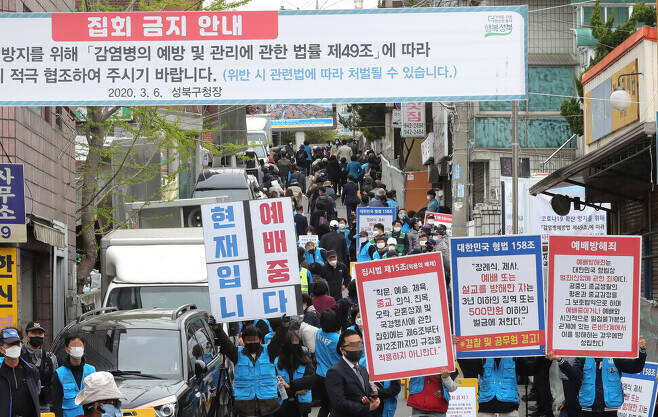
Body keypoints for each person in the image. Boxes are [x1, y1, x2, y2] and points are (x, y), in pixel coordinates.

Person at [548, 336, 647, 417]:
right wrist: (560, 360)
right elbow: (575, 376)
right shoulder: (583, 357)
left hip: (610, 409)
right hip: (588, 408)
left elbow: (635, 368)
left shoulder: (616, 356)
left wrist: (642, 351)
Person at [216, 322, 285, 417]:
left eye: (255, 339)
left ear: (260, 340)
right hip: (245, 406)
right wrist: (217, 328)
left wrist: (284, 327)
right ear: (243, 341)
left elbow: (279, 340)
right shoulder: (236, 354)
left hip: (268, 404)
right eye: (249, 340)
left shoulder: (270, 351)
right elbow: (225, 342)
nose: (252, 342)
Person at [325, 329, 380, 417]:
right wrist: (366, 407)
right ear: (342, 350)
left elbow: (367, 392)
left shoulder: (363, 369)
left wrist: (373, 398)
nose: (357, 348)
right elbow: (338, 403)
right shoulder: (334, 372)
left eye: (359, 344)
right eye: (352, 345)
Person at [274, 327, 316, 417]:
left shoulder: (305, 361)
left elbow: (310, 380)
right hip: (282, 405)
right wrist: (295, 391)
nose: (295, 347)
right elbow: (272, 384)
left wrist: (290, 385)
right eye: (291, 344)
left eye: (297, 343)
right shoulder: (275, 362)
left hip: (301, 405)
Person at [0, 327, 41, 417]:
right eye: (10, 344)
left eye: (17, 343)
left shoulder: (31, 370)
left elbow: (37, 393)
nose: (15, 347)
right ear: (2, 349)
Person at [53, 334, 96, 417]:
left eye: (79, 346)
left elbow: (96, 399)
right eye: (74, 346)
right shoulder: (59, 373)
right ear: (66, 349)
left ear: (84, 348)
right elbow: (57, 404)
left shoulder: (92, 371)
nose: (77, 349)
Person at [21, 321, 58, 411]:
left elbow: (55, 383)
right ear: (26, 335)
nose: (37, 336)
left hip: (44, 407)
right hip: (22, 406)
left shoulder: (51, 358)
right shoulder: (18, 356)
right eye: (33, 333)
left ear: (44, 336)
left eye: (40, 333)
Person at [314, 311, 342, 417]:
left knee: (325, 406)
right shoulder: (337, 339)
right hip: (333, 377)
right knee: (336, 407)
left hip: (319, 374)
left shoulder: (319, 332)